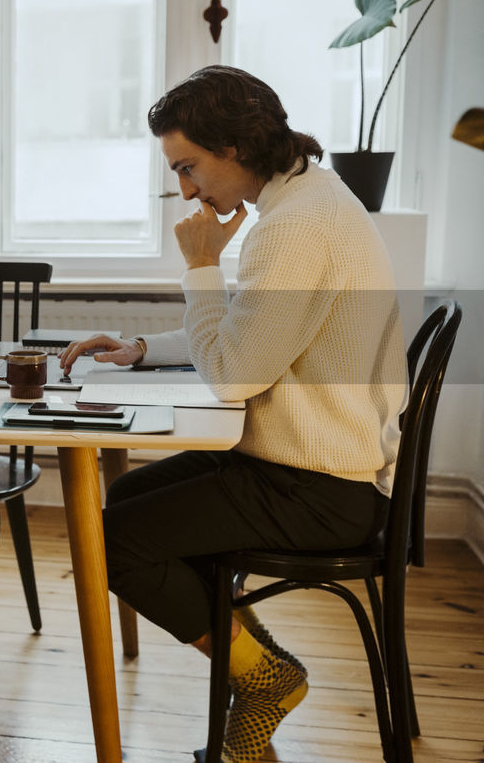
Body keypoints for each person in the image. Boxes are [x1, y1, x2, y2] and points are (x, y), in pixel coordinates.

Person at [58, 65, 406, 762]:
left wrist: (201, 267)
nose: (186, 189)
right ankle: (256, 667)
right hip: (321, 467)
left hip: (321, 489)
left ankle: (265, 679)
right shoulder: (310, 197)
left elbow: (234, 376)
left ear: (235, 148)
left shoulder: (294, 228)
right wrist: (139, 348)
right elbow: (251, 335)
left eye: (188, 167)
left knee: (115, 541)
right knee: (129, 496)